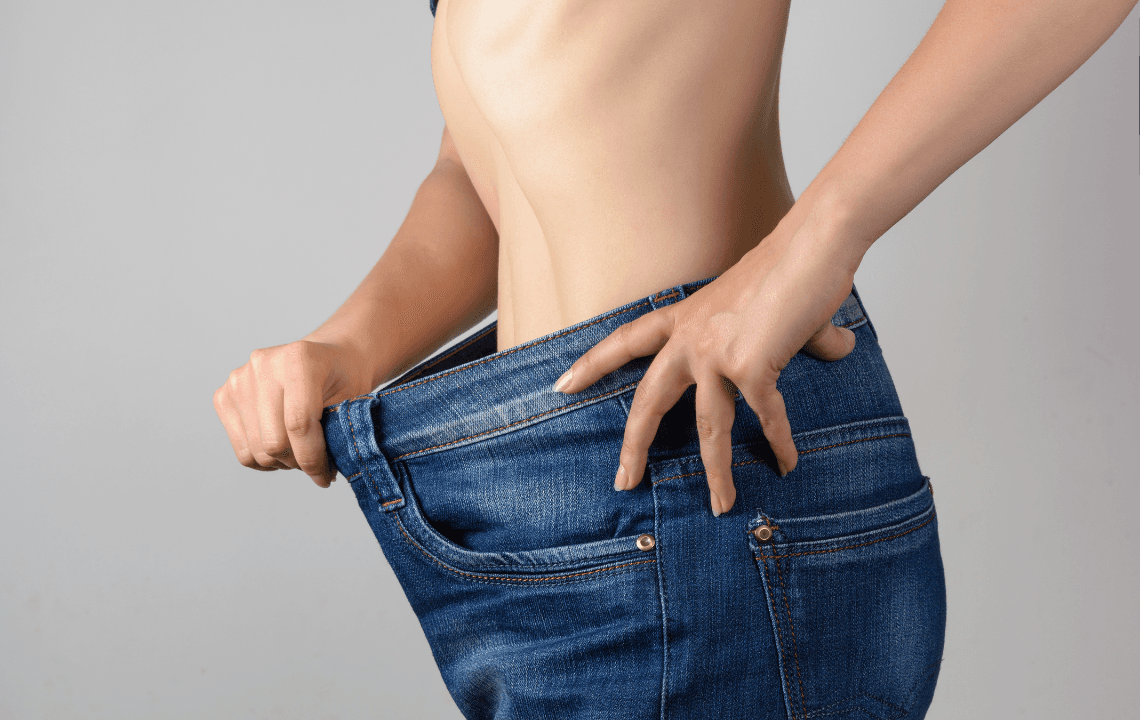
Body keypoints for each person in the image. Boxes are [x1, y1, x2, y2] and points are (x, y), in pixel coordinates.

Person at [214, 0, 1137, 717]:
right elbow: (488, 146)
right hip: (527, 488)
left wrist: (812, 246)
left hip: (705, 475)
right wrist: (352, 341)